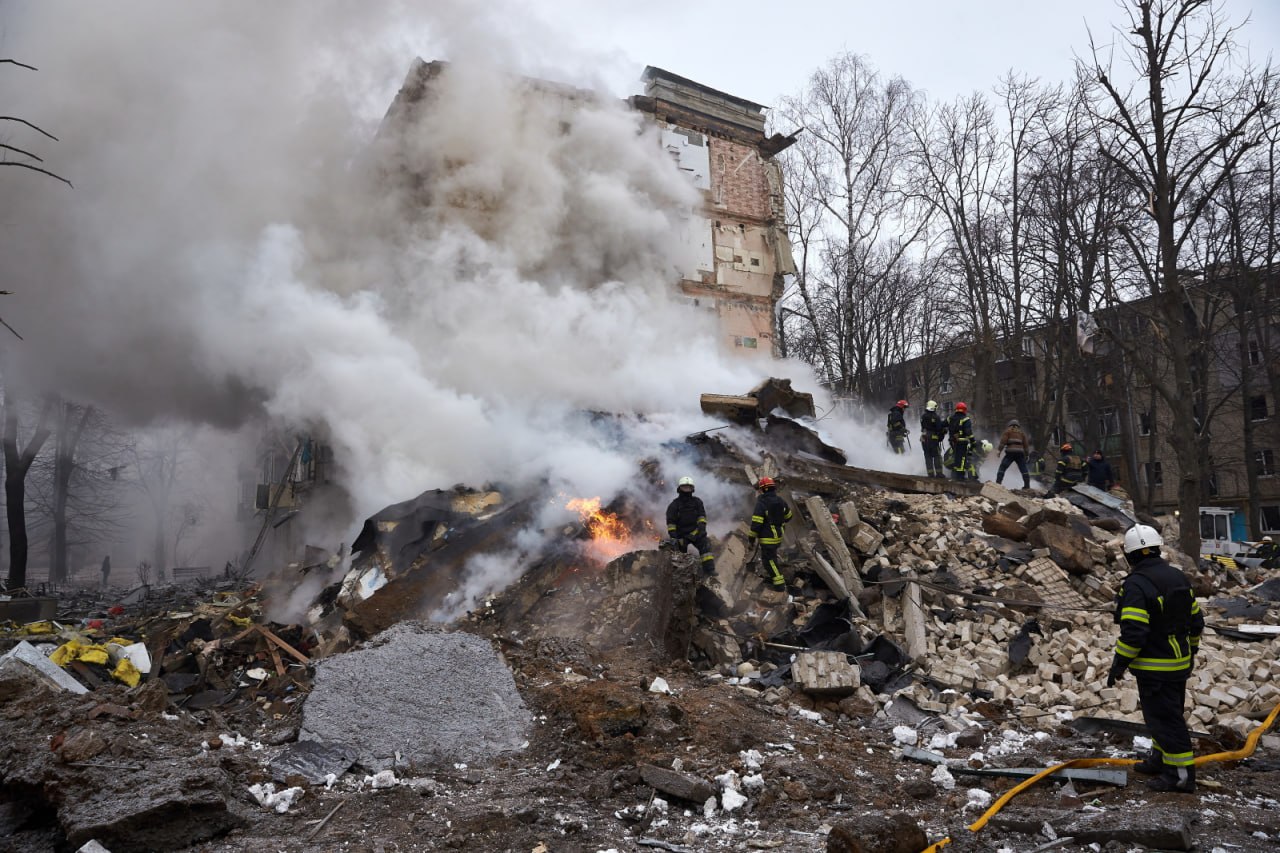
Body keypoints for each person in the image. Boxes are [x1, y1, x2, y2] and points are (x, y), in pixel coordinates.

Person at [1107, 523, 1203, 793]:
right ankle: (1161, 760)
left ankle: (1180, 777)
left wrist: (1119, 664)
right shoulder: (1177, 577)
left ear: (1130, 555)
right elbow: (1196, 621)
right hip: (1178, 664)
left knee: (1165, 720)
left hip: (1154, 668)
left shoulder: (1136, 585)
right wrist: (1191, 651)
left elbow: (1135, 633)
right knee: (1163, 717)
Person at [748, 477, 793, 589]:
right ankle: (777, 579)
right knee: (772, 558)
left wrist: (751, 540)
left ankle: (779, 584)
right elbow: (789, 516)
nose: (759, 491)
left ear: (764, 489)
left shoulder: (762, 503)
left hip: (768, 538)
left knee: (768, 561)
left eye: (760, 489)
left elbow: (756, 524)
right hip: (778, 536)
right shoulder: (781, 501)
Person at [666, 476, 715, 575]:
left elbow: (702, 516)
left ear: (693, 489)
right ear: (679, 489)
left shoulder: (697, 502)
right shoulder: (674, 505)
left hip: (695, 532)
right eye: (684, 487)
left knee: (705, 545)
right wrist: (675, 538)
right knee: (680, 557)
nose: (687, 489)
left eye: (689, 487)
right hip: (681, 536)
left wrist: (701, 529)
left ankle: (709, 571)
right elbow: (671, 524)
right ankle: (682, 575)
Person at [995, 419, 1031, 489]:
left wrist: (999, 450)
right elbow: (1026, 446)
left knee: (1003, 467)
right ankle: (1027, 486)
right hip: (1020, 453)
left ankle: (998, 483)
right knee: (1023, 469)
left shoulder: (1008, 432)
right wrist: (1027, 455)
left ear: (1010, 425)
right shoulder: (1022, 433)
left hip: (1010, 453)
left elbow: (1003, 442)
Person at [920, 400, 947, 478]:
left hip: (924, 438)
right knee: (936, 456)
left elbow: (923, 427)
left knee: (927, 456)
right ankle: (939, 474)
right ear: (933, 408)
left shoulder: (923, 416)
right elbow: (939, 429)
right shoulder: (936, 417)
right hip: (933, 439)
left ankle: (930, 474)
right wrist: (943, 432)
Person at [947, 402, 974, 481]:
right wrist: (973, 441)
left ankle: (954, 476)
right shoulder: (966, 419)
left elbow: (942, 425)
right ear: (964, 410)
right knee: (962, 459)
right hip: (962, 442)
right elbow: (968, 432)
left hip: (953, 442)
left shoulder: (950, 418)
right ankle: (960, 477)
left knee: (956, 458)